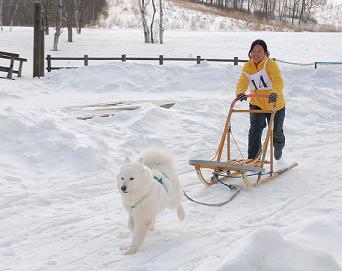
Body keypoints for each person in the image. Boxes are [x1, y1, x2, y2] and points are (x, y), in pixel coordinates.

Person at [235, 39, 285, 160]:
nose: (256, 54)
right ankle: (253, 159)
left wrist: (275, 92)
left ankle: (278, 147)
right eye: (253, 51)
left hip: (275, 103)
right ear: (250, 52)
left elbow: (278, 81)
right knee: (255, 130)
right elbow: (242, 81)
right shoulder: (248, 66)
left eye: (259, 51)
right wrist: (240, 92)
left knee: (276, 132)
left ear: (265, 53)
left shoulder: (271, 64)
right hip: (257, 103)